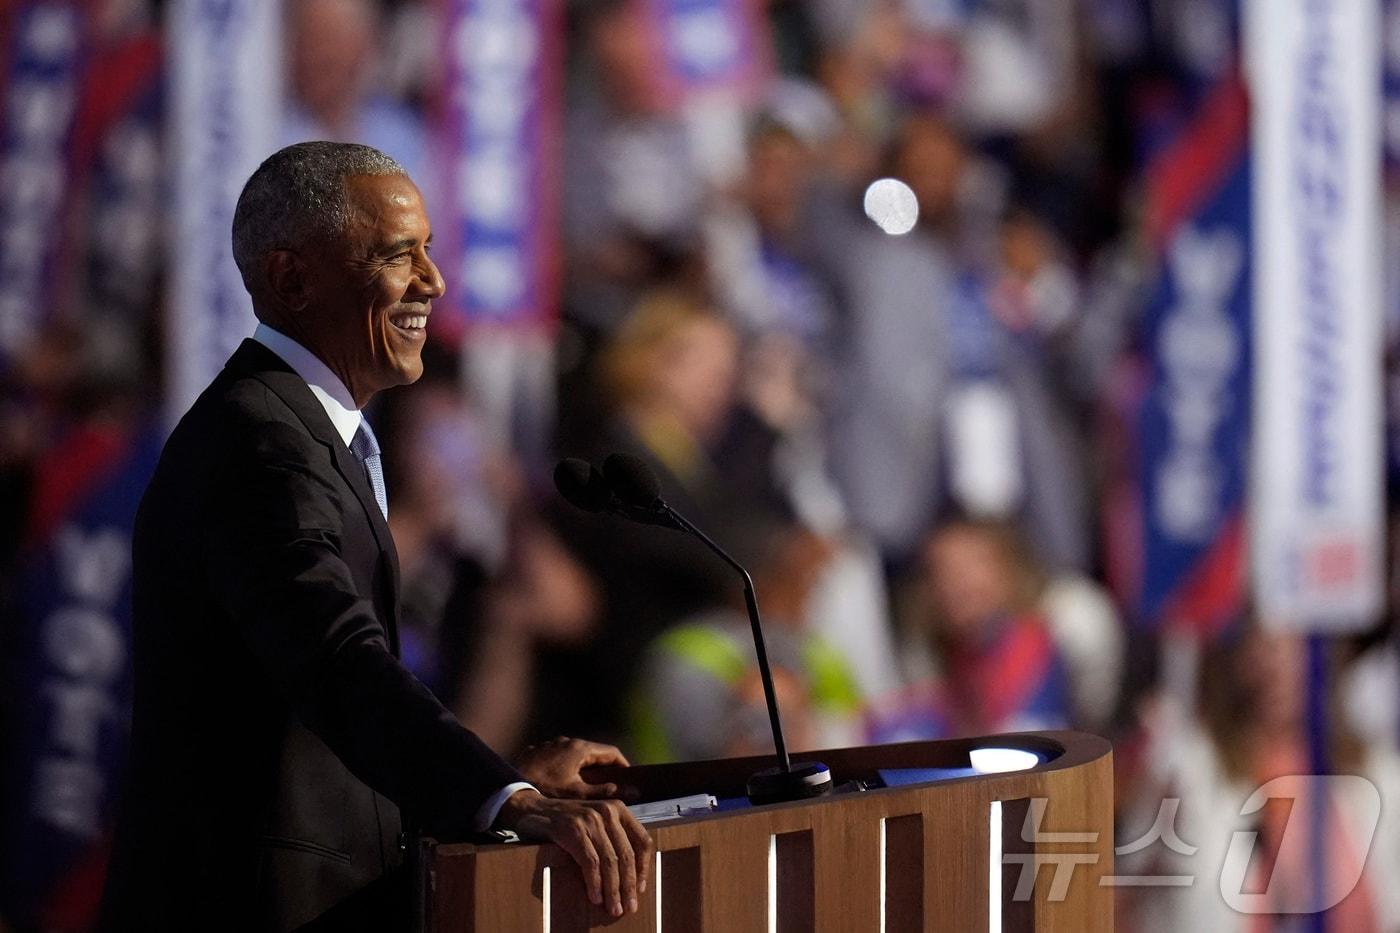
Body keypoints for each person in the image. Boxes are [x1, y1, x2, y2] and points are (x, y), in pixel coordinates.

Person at [101, 143, 651, 931]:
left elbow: (320, 746)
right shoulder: (263, 443)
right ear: (293, 278)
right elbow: (338, 662)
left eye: (428, 249)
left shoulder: (308, 433)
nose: (433, 280)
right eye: (397, 255)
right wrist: (501, 796)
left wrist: (500, 777)